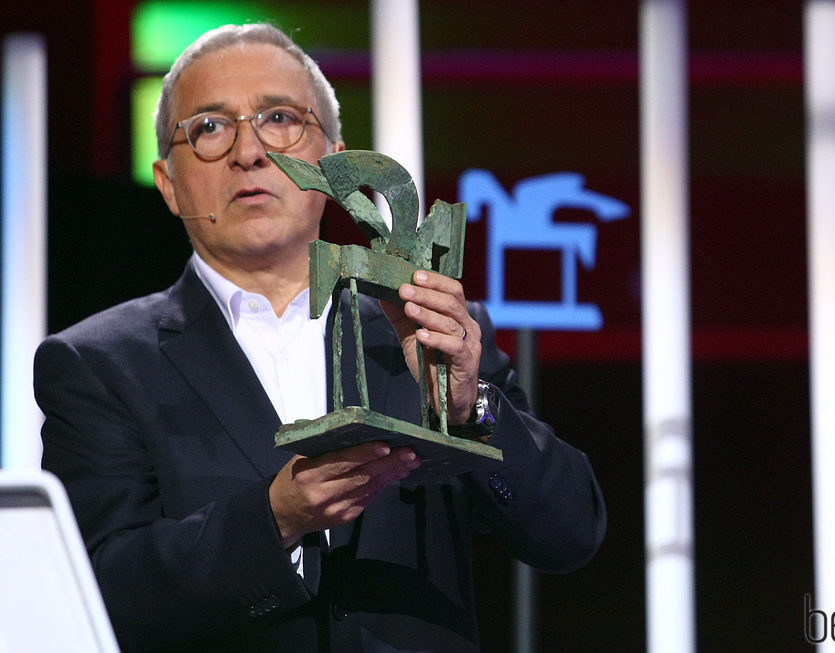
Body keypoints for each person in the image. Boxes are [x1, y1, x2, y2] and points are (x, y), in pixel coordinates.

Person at [34, 23, 606, 653]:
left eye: (279, 118)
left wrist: (473, 411)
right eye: (210, 128)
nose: (250, 152)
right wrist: (274, 521)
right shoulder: (97, 364)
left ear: (335, 159)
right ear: (168, 183)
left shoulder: (426, 327)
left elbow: (569, 534)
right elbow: (96, 591)